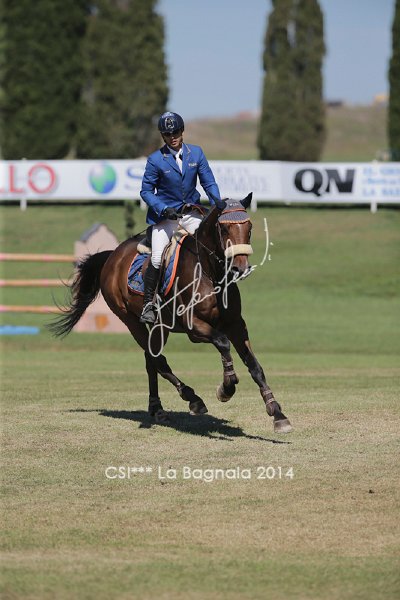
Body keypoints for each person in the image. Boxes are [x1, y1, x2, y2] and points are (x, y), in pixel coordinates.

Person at [139, 111, 223, 324]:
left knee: (211, 244)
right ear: (163, 136)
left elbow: (208, 182)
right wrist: (162, 208)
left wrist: (217, 204)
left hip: (192, 214)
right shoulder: (155, 160)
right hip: (166, 218)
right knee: (157, 257)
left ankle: (223, 285)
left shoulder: (196, 153)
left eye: (176, 132)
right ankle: (149, 304)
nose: (172, 137)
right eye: (168, 134)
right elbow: (146, 191)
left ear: (182, 131)